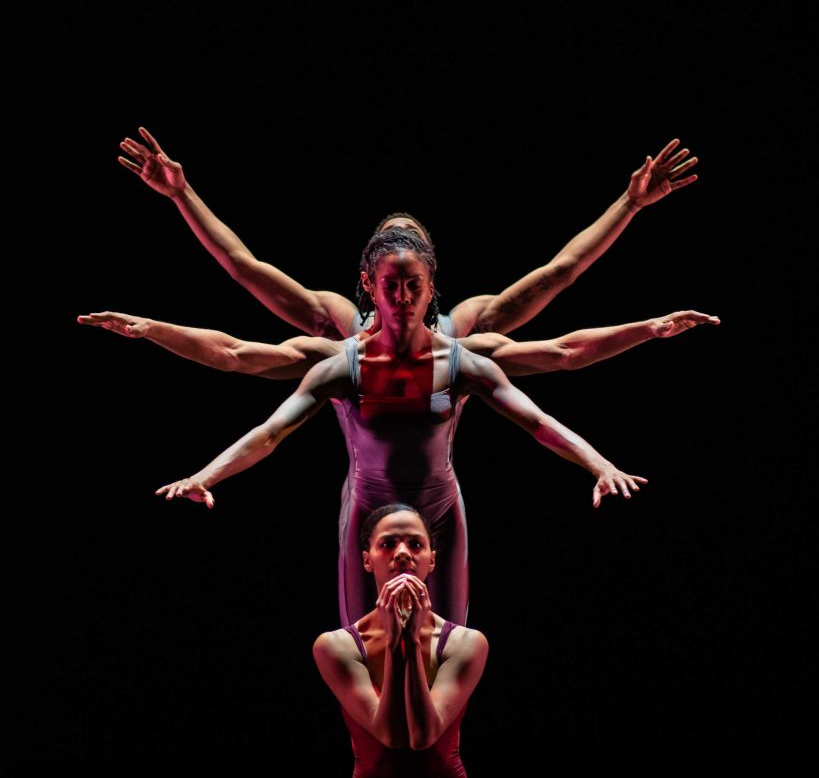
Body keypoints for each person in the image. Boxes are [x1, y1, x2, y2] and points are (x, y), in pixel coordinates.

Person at [154, 226, 649, 625]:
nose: (403, 297)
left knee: (448, 646)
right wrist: (206, 475)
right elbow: (264, 418)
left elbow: (545, 399)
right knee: (362, 646)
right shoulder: (340, 358)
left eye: (414, 285)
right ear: (369, 284)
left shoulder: (463, 355)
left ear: (432, 285)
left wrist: (599, 463)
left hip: (439, 510)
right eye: (390, 285)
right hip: (368, 509)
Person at [117, 127, 699, 339]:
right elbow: (244, 268)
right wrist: (182, 195)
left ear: (429, 275)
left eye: (412, 242)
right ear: (369, 277)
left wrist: (629, 204)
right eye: (392, 241)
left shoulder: (465, 327)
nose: (402, 247)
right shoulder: (339, 323)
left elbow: (560, 272)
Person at [250, 504, 490, 778]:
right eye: (388, 544)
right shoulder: (336, 646)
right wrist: (398, 641)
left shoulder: (466, 643)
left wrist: (410, 641)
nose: (402, 553)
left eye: (415, 544)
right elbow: (392, 736)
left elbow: (422, 737)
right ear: (367, 560)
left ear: (432, 560)